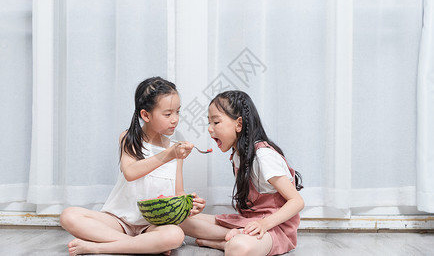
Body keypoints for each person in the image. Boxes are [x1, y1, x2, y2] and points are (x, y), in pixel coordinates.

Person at [60, 76, 205, 256]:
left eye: (178, 112)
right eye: (168, 114)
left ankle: (98, 247)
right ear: (146, 115)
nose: (175, 119)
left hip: (152, 225)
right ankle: (141, 245)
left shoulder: (177, 148)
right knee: (68, 215)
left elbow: (178, 192)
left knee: (174, 235)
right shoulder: (129, 138)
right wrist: (169, 154)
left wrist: (189, 203)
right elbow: (130, 172)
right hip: (118, 221)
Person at [180, 90, 304, 256]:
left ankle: (227, 242)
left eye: (216, 122)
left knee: (238, 248)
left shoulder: (263, 156)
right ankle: (229, 236)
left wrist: (264, 225)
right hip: (248, 222)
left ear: (239, 124)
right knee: (180, 220)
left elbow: (297, 202)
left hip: (274, 228)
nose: (210, 129)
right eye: (209, 123)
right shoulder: (238, 154)